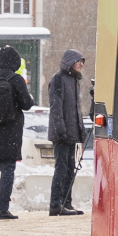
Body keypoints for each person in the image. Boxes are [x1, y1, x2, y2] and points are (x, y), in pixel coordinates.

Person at [0, 46, 35, 220]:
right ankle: (3, 209)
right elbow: (26, 104)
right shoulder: (16, 79)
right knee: (7, 169)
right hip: (11, 131)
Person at [46, 49, 85, 217]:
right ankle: (56, 204)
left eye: (82, 61)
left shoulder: (73, 81)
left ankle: (66, 202)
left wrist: (80, 130)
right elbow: (56, 107)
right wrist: (60, 129)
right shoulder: (59, 79)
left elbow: (76, 109)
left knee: (70, 169)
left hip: (71, 133)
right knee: (61, 169)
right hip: (62, 133)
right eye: (78, 61)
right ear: (70, 62)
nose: (81, 64)